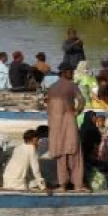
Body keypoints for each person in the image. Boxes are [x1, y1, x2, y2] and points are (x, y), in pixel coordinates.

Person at [46, 63, 86, 191]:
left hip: (56, 125)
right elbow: (82, 100)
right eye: (71, 72)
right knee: (75, 154)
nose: (73, 74)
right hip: (69, 122)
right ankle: (78, 185)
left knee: (61, 155)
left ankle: (63, 184)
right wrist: (77, 111)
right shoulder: (72, 85)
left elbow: (47, 106)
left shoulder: (52, 87)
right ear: (64, 72)